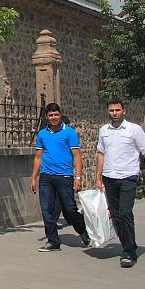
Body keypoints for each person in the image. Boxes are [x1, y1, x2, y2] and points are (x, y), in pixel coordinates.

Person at [95, 99, 145, 268]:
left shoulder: (134, 129)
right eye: (111, 110)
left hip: (128, 177)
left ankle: (129, 252)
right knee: (115, 215)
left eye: (117, 110)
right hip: (109, 177)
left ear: (124, 111)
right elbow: (101, 153)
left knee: (125, 213)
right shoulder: (103, 130)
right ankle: (128, 245)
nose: (114, 113)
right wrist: (98, 178)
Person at [30, 103, 90, 251]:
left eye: (56, 114)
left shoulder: (69, 132)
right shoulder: (42, 134)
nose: (53, 118)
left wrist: (78, 178)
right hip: (46, 177)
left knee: (70, 210)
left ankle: (82, 231)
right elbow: (38, 157)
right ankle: (53, 241)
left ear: (60, 115)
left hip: (64, 176)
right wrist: (33, 177)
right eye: (50, 115)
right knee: (47, 210)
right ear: (46, 117)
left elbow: (77, 156)